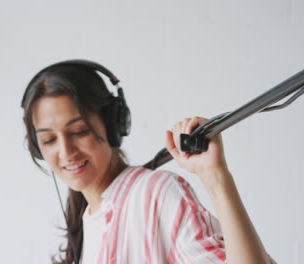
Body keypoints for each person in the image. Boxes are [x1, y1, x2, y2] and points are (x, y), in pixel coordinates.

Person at [21, 60, 275, 264]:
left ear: (112, 125)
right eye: (49, 139)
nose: (65, 151)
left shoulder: (154, 193)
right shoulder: (87, 224)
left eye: (79, 131)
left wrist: (215, 176)